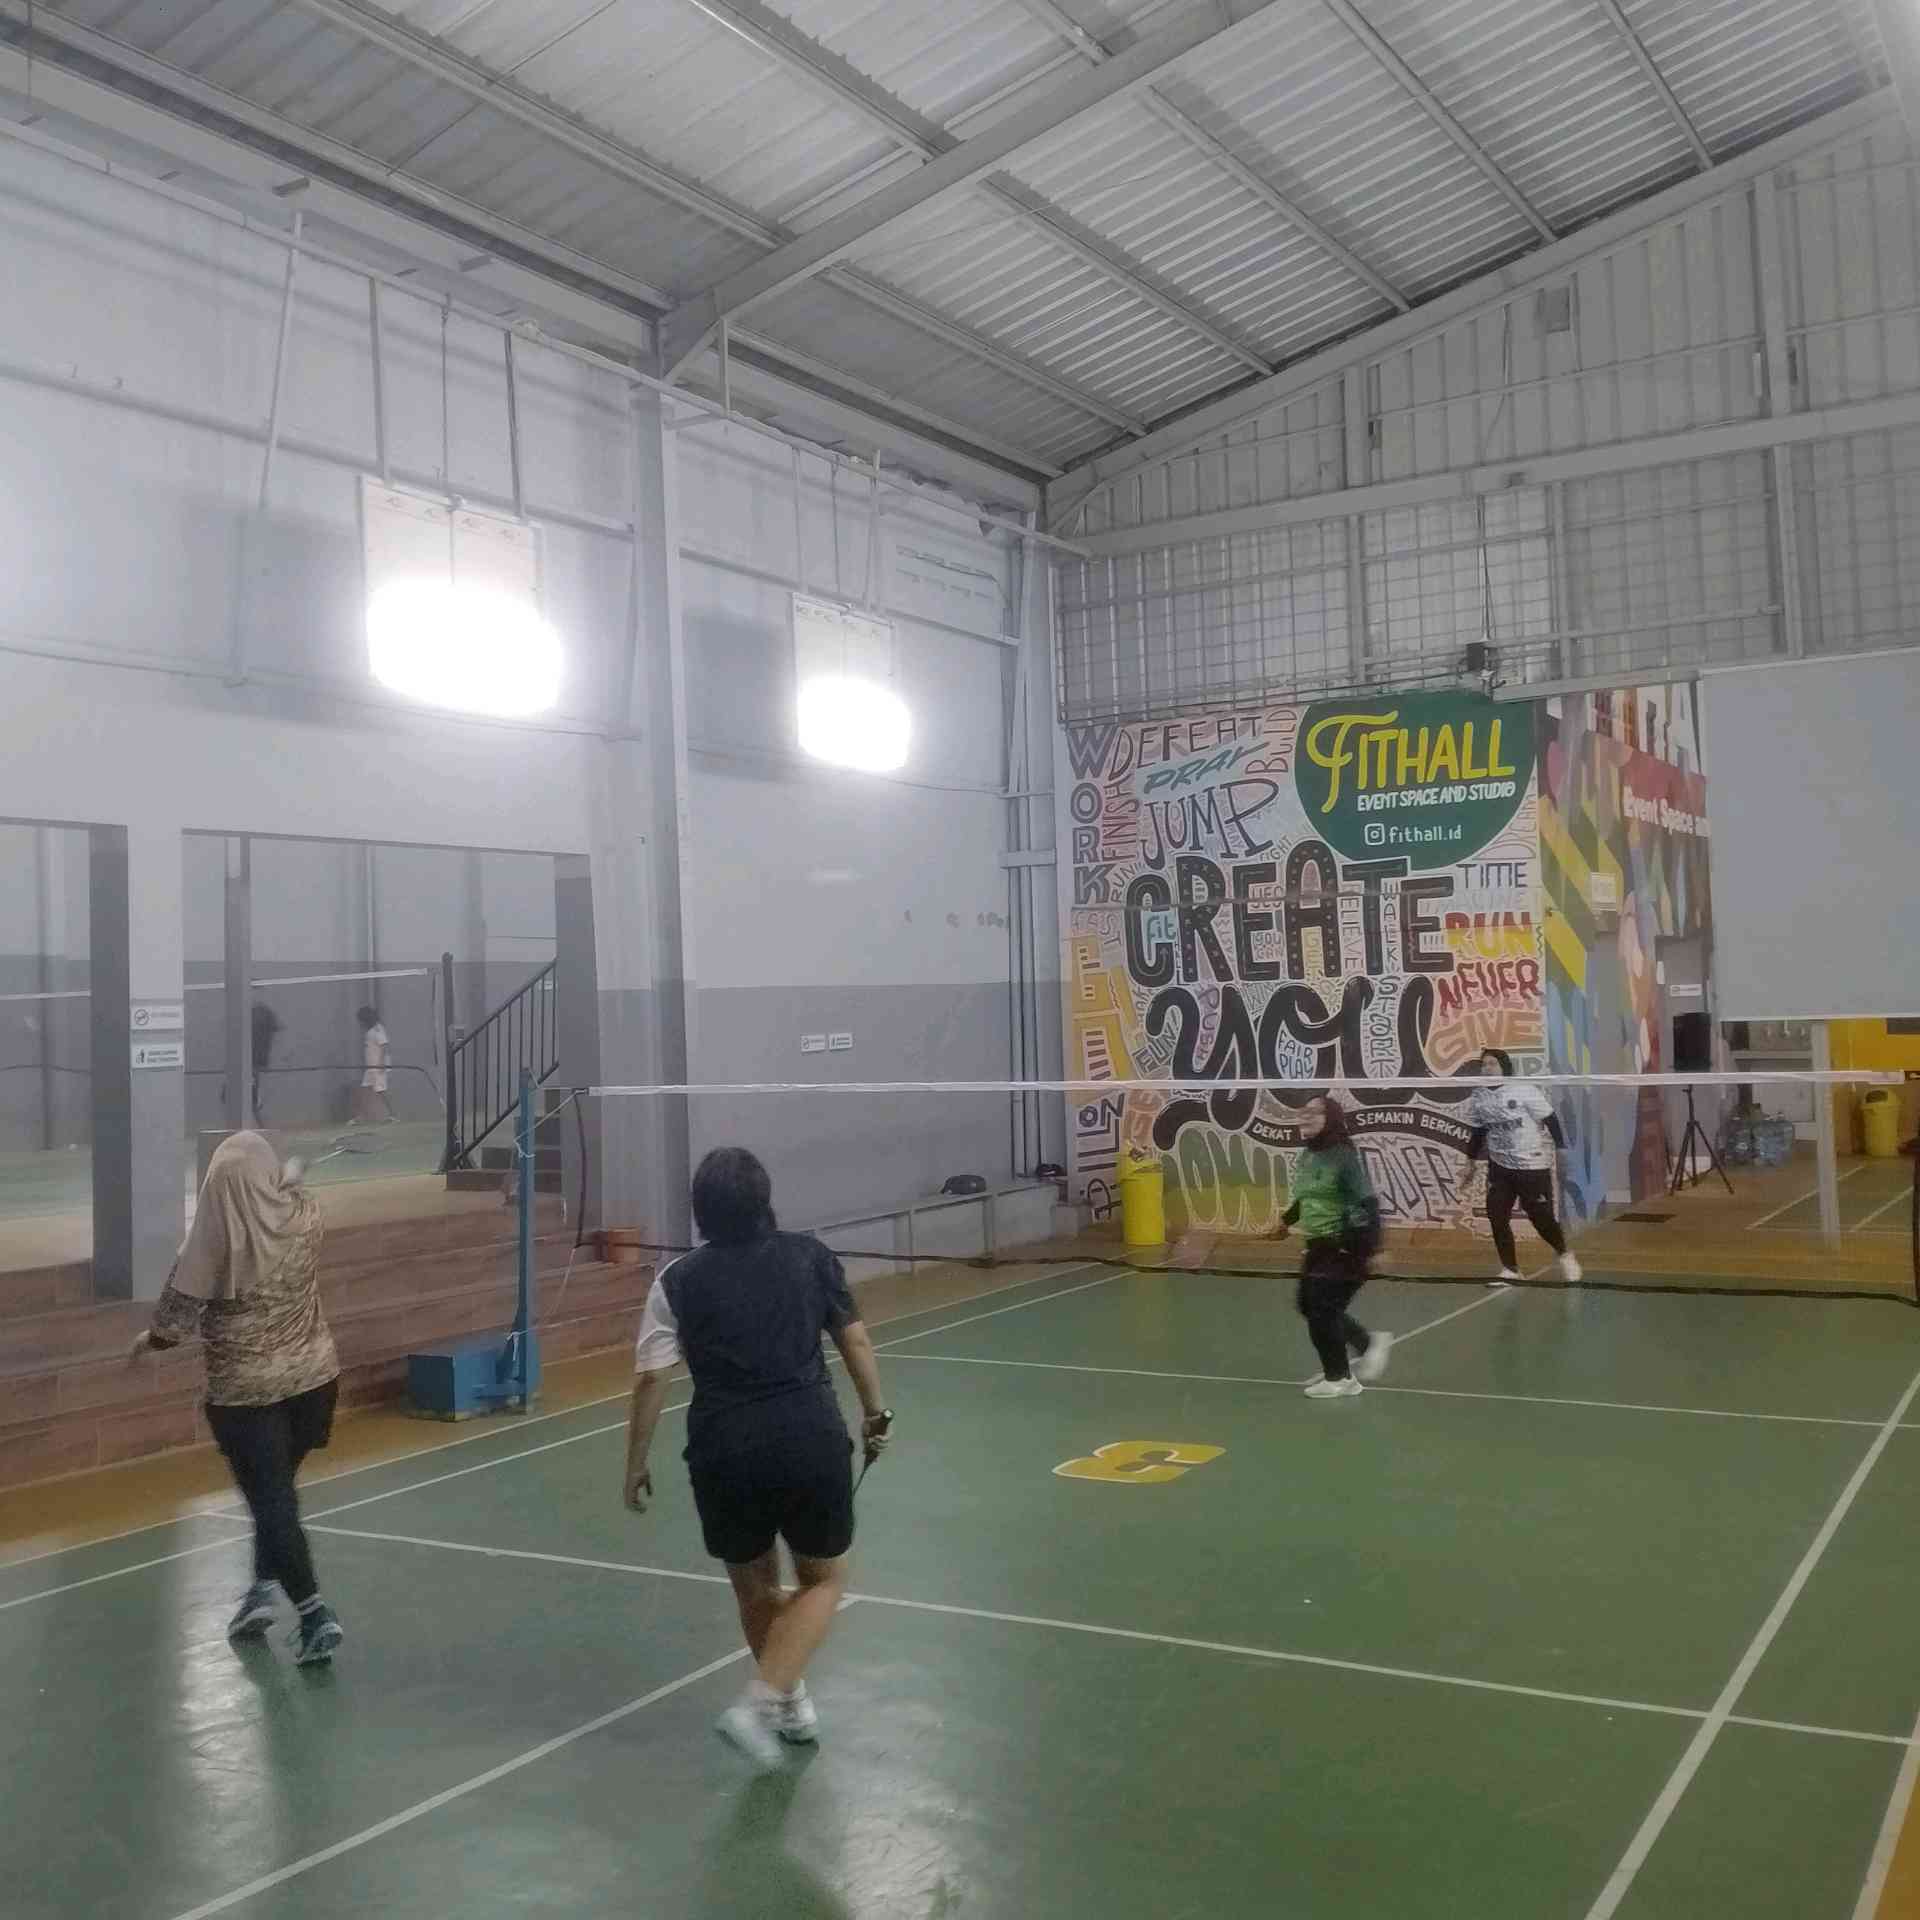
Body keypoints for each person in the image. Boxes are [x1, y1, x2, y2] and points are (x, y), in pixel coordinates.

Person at [622, 1147, 893, 1771]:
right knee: (824, 1579)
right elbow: (854, 1338)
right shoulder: (811, 1257)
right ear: (765, 1201)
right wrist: (875, 1413)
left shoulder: (675, 1280)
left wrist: (635, 1462)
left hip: (722, 1450)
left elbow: (652, 1377)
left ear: (700, 1209)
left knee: (755, 1585)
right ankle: (762, 1700)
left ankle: (791, 1704)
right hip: (807, 1437)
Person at [130, 1133, 345, 1664]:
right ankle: (261, 1594)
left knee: (273, 1504)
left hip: (247, 1402)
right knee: (276, 1499)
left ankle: (315, 1614)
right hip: (315, 1387)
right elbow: (291, 1190)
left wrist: (145, 1343)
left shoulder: (207, 1249)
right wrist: (288, 1176)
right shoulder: (306, 1217)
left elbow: (171, 1326)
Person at [1274, 1096, 1392, 1399]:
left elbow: (1367, 1202)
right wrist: (1285, 1222)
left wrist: (1375, 1248)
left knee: (1322, 1311)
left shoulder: (1343, 1156)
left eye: (1316, 1112)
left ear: (1331, 1119)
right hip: (1317, 1245)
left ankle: (1339, 1378)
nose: (1307, 1116)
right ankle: (1366, 1343)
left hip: (1346, 1244)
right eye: (1305, 1111)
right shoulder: (1308, 1155)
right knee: (1308, 1305)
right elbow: (1307, 1197)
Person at [1466, 1048, 1583, 1287]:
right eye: (1484, 1064)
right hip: (1500, 1166)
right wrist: (1470, 1162)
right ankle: (1510, 1269)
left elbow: (1550, 1118)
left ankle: (1564, 1253)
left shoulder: (1523, 1090)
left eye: (1492, 1064)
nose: (1487, 1068)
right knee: (1496, 1215)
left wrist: (1561, 1150)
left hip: (1532, 1164)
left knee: (1540, 1217)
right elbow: (1478, 1132)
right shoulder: (1478, 1096)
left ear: (1504, 1067)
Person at [354, 1004, 390, 1124]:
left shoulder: (377, 1029)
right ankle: (360, 1117)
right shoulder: (370, 1031)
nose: (360, 1023)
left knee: (381, 1091)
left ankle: (393, 1115)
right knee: (364, 1091)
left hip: (377, 1067)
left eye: (361, 1020)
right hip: (370, 1068)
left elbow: (384, 1046)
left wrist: (382, 1063)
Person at [250, 999, 282, 1123]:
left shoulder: (261, 1014)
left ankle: (260, 1123)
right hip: (254, 1062)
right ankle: (260, 1124)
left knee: (253, 1096)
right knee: (253, 1096)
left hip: (255, 1062)